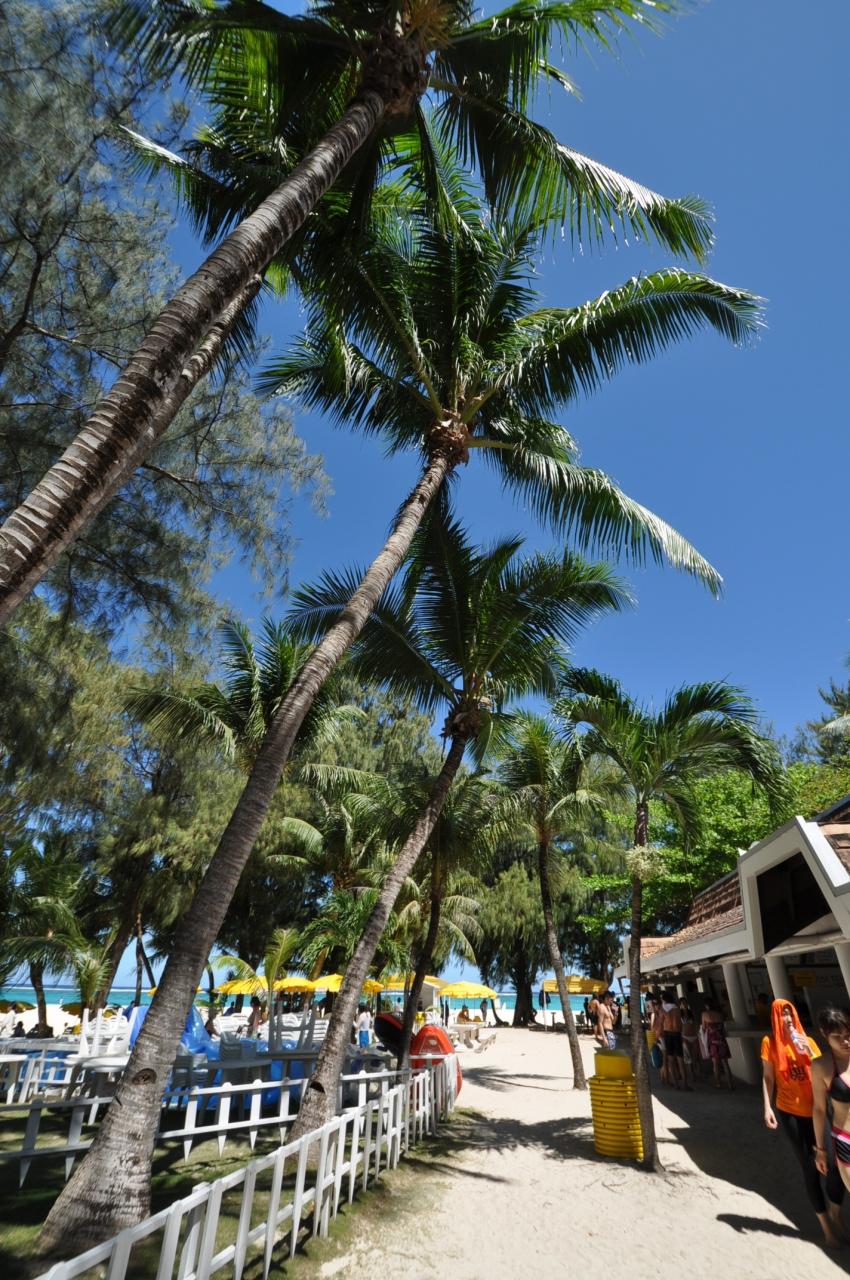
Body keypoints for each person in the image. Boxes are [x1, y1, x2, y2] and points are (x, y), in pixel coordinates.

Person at [763, 998, 845, 1248]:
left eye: (790, 1013)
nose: (787, 1018)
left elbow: (824, 1073)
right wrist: (767, 1107)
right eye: (782, 1014)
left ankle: (836, 1213)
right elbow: (768, 1077)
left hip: (816, 1109)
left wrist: (807, 1051)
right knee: (810, 1168)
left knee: (834, 1166)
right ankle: (827, 1229)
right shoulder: (769, 1043)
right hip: (790, 1111)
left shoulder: (808, 1042)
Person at [812, 1007, 850, 1205]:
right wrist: (821, 1150)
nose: (846, 1041)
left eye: (848, 1034)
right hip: (845, 1140)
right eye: (837, 1036)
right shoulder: (821, 1065)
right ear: (824, 1034)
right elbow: (819, 1110)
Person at [701, 996, 733, 1089]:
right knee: (725, 1063)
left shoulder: (705, 1014)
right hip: (721, 1040)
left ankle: (718, 1083)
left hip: (712, 1041)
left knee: (715, 1063)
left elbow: (703, 1027)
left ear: (706, 1005)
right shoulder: (720, 1014)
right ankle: (730, 1084)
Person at [661, 989, 687, 1090]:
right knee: (680, 1059)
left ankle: (676, 1084)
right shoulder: (677, 1009)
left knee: (671, 1059)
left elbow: (660, 1023)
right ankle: (685, 1084)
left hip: (668, 1034)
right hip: (677, 1033)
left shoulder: (663, 1009)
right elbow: (682, 1022)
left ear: (664, 1000)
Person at [679, 998, 700, 1085]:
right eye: (682, 1003)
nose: (684, 1005)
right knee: (688, 1058)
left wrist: (698, 1034)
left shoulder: (691, 1013)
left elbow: (696, 1024)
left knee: (695, 1055)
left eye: (685, 1003)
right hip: (685, 1036)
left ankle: (696, 1072)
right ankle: (692, 1075)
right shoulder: (679, 1014)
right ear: (680, 1005)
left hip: (694, 1036)